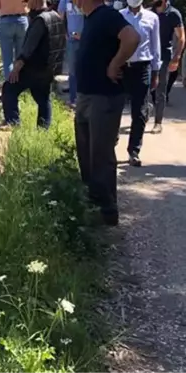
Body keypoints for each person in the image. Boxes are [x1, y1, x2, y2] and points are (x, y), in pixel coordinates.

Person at [74, 0, 140, 226]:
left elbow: (132, 37)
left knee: (100, 154)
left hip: (103, 98)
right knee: (86, 153)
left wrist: (115, 64)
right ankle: (91, 204)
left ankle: (106, 211)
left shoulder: (106, 15)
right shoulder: (91, 19)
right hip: (87, 96)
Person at [0, 0, 66, 129]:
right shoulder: (56, 16)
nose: (26, 4)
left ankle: (13, 125)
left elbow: (28, 49)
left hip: (34, 69)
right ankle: (43, 132)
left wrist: (16, 69)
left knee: (9, 89)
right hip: (49, 69)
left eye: (27, 1)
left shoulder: (40, 21)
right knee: (43, 100)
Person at [120, 0, 160, 167]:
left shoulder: (152, 18)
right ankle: (111, 141)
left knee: (140, 111)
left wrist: (156, 72)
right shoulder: (119, 16)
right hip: (123, 66)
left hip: (142, 67)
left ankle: (134, 151)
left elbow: (155, 46)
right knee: (115, 106)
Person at [150, 0, 184, 133]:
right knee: (145, 88)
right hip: (148, 54)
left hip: (164, 55)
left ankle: (158, 122)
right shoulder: (148, 12)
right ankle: (144, 114)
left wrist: (176, 58)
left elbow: (181, 37)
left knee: (161, 90)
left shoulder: (173, 14)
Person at [58, 0, 85, 108]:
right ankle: (73, 99)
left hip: (86, 39)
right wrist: (65, 33)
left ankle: (84, 99)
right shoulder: (64, 1)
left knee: (85, 69)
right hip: (72, 39)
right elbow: (60, 17)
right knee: (73, 70)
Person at [0, 0, 30, 79]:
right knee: (21, 57)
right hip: (22, 19)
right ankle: (21, 83)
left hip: (6, 20)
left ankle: (10, 85)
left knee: (7, 59)